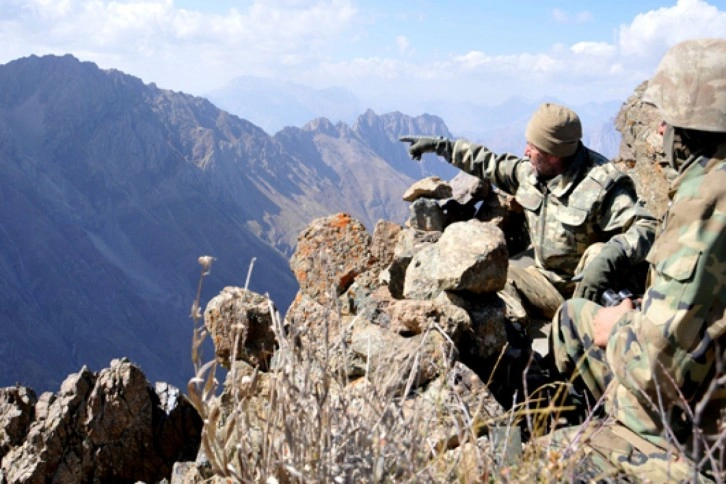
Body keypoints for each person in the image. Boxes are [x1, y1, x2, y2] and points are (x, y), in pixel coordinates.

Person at [548, 38, 726, 481]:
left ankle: (582, 444)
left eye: (666, 122)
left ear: (686, 131)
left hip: (706, 434)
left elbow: (653, 369)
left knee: (573, 321)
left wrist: (620, 325)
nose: (659, 133)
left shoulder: (707, 203)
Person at [400, 103, 656, 320]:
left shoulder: (603, 185)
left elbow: (647, 227)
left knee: (598, 252)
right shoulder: (533, 174)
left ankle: (582, 339)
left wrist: (610, 256)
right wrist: (439, 145)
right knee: (495, 279)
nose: (525, 152)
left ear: (553, 155)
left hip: (591, 297)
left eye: (532, 147)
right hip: (548, 284)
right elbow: (489, 163)